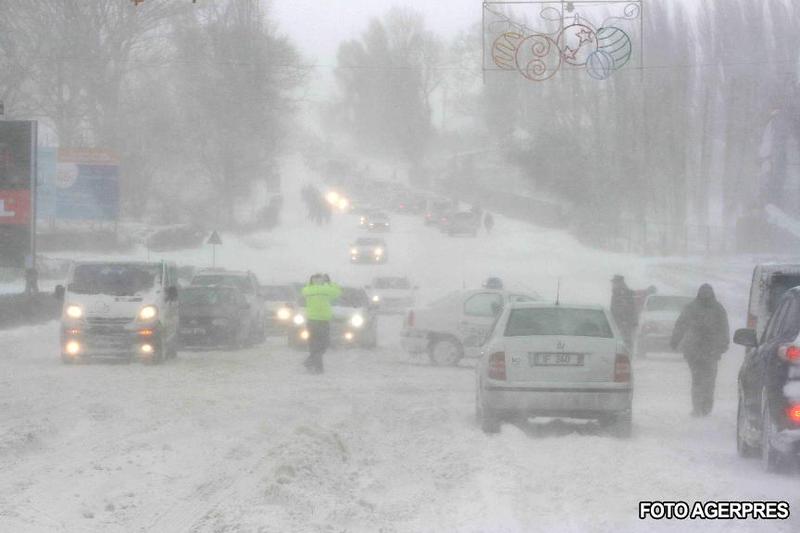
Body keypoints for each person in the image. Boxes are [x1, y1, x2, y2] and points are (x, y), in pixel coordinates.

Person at [670, 284, 730, 416]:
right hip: (704, 350)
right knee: (706, 379)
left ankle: (701, 407)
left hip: (700, 349)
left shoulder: (693, 307)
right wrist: (723, 344)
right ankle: (702, 407)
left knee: (700, 379)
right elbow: (724, 328)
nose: (706, 295)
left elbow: (681, 325)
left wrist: (675, 340)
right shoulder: (716, 308)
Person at [301, 273, 341, 374]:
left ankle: (313, 364)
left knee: (314, 345)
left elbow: (304, 291)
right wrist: (329, 282)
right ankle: (316, 366)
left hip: (311, 321)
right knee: (323, 345)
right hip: (322, 321)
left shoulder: (307, 290)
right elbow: (338, 292)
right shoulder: (326, 290)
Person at [610, 275, 637, 348]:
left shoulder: (624, 293)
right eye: (613, 282)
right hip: (620, 321)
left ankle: (626, 352)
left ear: (620, 283)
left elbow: (626, 308)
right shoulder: (616, 293)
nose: (613, 284)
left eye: (615, 282)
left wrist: (624, 321)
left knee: (625, 339)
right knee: (621, 340)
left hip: (623, 322)